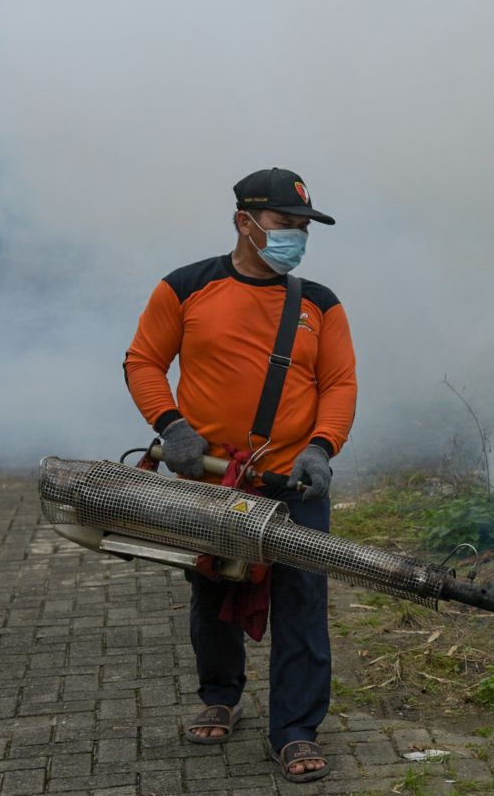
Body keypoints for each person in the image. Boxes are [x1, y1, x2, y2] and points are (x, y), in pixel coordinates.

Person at [124, 167, 357, 783]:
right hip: (213, 480)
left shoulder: (319, 304)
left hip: (292, 485)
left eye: (304, 227)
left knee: (303, 600)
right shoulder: (185, 288)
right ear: (244, 222)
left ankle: (297, 729)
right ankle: (219, 694)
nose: (297, 238)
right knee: (214, 589)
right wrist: (171, 425)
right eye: (286, 224)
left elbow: (338, 384)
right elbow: (144, 360)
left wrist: (322, 448)